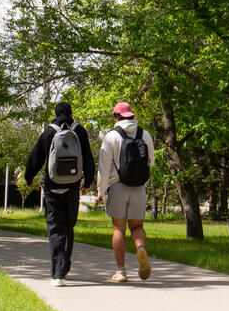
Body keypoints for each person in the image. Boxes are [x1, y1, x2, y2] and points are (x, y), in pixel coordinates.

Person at [24, 101, 94, 287]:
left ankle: (57, 273)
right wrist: (87, 182)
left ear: (55, 114)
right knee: (68, 226)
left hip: (52, 185)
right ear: (71, 113)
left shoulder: (49, 131)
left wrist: (28, 177)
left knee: (55, 227)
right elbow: (87, 157)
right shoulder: (79, 131)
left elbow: (36, 156)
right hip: (72, 185)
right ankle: (65, 266)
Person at [96, 102, 152, 282]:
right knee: (137, 226)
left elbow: (104, 168)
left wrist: (101, 191)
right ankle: (141, 249)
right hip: (139, 187)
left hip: (118, 186)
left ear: (116, 117)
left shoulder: (111, 136)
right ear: (131, 116)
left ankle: (120, 271)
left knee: (118, 228)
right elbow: (150, 162)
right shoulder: (145, 134)